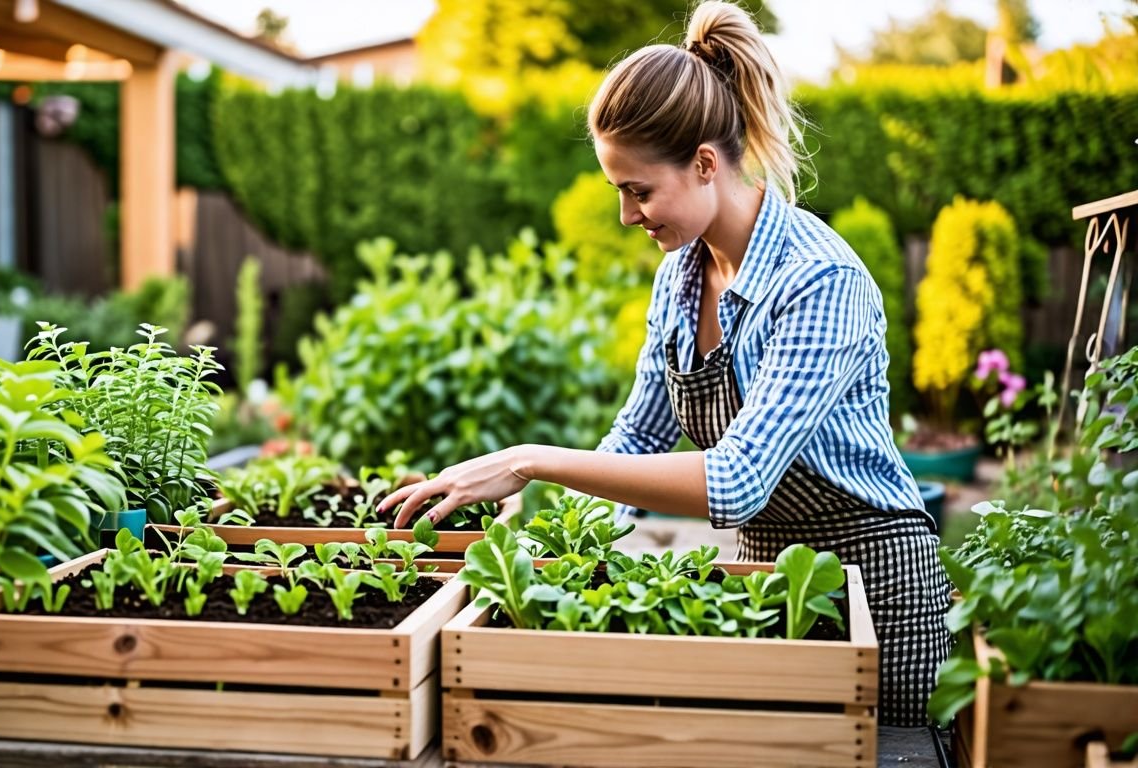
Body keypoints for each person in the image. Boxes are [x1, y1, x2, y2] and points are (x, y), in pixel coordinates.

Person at [378, 0, 949, 728]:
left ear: (705, 163)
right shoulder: (681, 275)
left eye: (638, 191)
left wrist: (530, 459)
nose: (627, 216)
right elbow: (636, 441)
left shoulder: (818, 281)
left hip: (878, 589)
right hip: (766, 580)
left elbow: (738, 482)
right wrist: (539, 562)